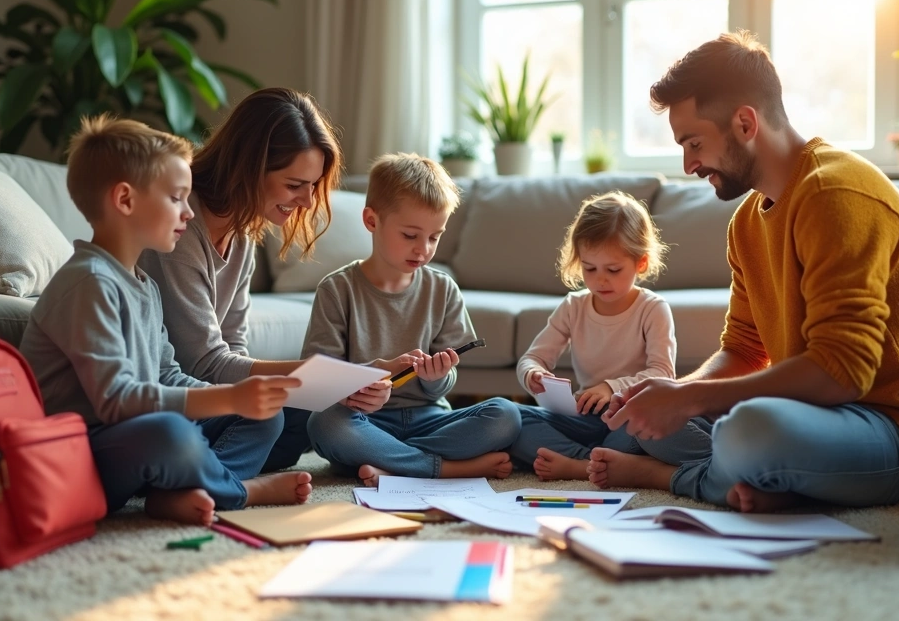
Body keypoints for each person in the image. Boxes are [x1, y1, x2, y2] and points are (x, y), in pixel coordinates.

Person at [588, 30, 899, 513]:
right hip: (814, 417)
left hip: (896, 432)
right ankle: (762, 483)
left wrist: (692, 400)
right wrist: (675, 393)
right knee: (639, 423)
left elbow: (845, 371)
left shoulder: (834, 193)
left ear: (744, 122)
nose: (689, 163)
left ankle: (679, 478)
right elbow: (743, 350)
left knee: (748, 432)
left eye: (694, 142)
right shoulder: (746, 223)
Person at [20, 115, 313, 527]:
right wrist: (224, 399)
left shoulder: (142, 285)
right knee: (171, 436)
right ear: (125, 200)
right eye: (177, 198)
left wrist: (236, 397)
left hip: (137, 432)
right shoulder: (88, 283)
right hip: (86, 448)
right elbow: (116, 401)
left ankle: (182, 490)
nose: (189, 213)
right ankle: (240, 490)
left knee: (267, 416)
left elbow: (168, 375)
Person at [139, 87, 385, 473]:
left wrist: (338, 383)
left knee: (315, 414)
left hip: (208, 395)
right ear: (249, 167)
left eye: (312, 186)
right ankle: (207, 480)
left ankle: (210, 468)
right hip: (174, 395)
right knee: (275, 416)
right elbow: (202, 364)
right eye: (294, 184)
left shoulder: (241, 236)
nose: (306, 201)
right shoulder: (180, 228)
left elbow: (233, 348)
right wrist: (321, 374)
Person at [303, 153, 523, 487]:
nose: (423, 249)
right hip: (366, 420)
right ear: (372, 221)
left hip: (430, 419)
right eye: (410, 235)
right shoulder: (337, 289)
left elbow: (448, 380)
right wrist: (377, 371)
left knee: (506, 415)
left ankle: (390, 463)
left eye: (435, 237)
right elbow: (320, 378)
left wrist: (437, 378)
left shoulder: (443, 288)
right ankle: (444, 469)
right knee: (324, 424)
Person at [508, 191, 676, 481]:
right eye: (589, 268)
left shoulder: (653, 309)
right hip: (581, 417)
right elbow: (532, 358)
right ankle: (594, 461)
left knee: (649, 433)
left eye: (613, 269)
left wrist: (611, 388)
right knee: (511, 419)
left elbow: (663, 374)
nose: (600, 279)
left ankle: (577, 463)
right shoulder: (574, 306)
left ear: (641, 263)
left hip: (625, 416)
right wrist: (533, 374)